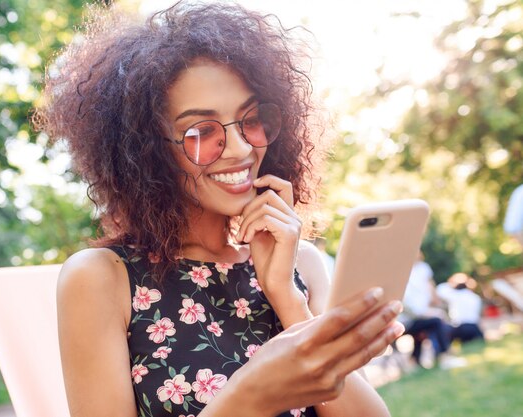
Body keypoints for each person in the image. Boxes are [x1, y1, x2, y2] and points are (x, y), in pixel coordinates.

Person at [35, 3, 404, 416]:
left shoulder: (301, 263)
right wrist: (249, 398)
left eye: (251, 119)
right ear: (147, 151)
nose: (243, 148)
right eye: (201, 132)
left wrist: (287, 298)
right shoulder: (103, 279)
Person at [399, 253, 453, 368]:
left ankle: (414, 360)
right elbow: (410, 309)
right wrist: (430, 312)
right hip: (406, 321)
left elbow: (430, 289)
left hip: (419, 315)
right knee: (436, 322)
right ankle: (444, 356)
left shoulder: (422, 268)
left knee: (430, 324)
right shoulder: (401, 273)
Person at [436, 273, 484, 343]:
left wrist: (451, 282)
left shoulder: (453, 295)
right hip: (474, 328)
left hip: (459, 328)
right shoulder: (476, 298)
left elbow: (440, 289)